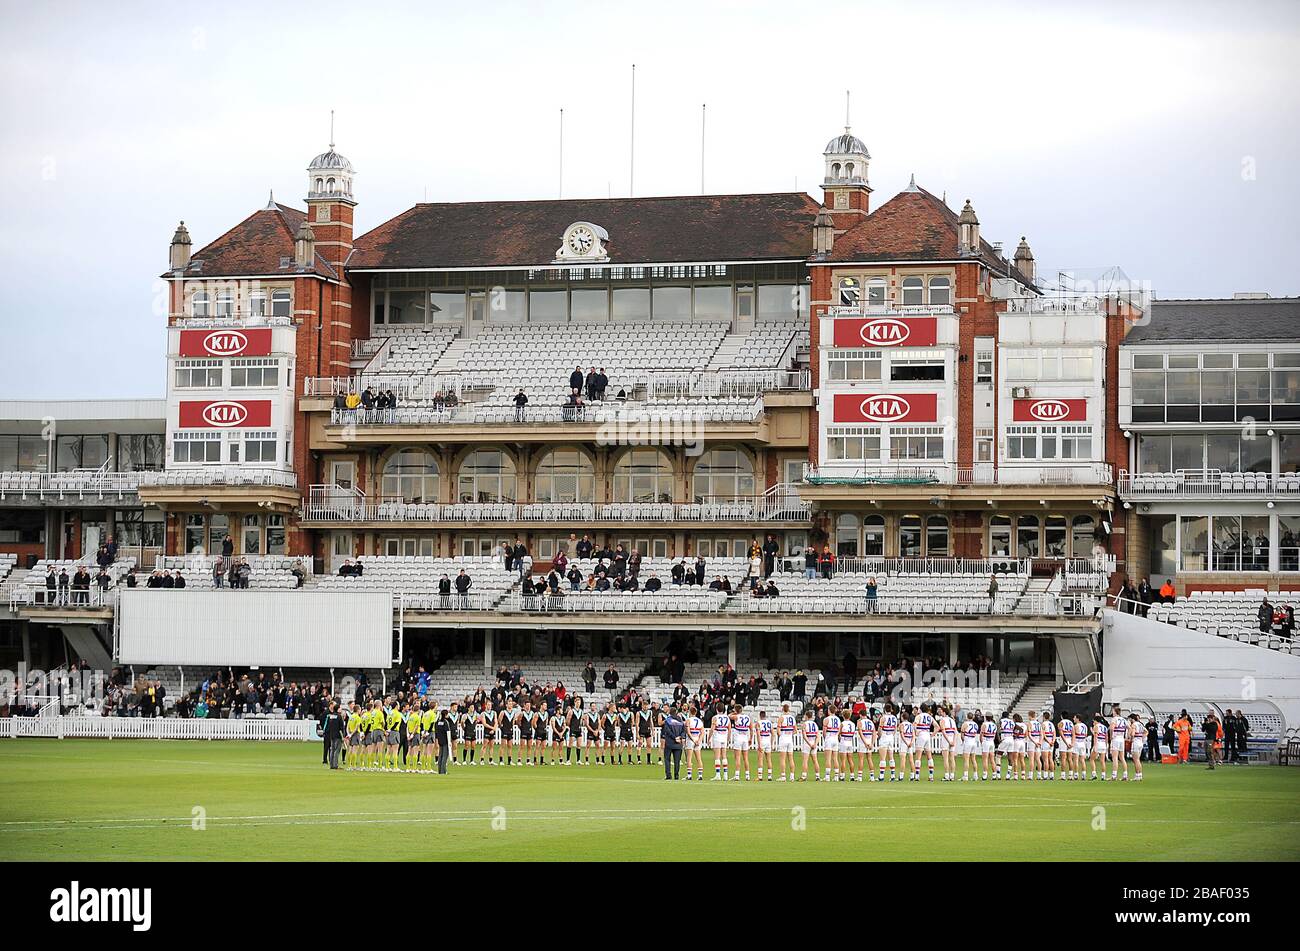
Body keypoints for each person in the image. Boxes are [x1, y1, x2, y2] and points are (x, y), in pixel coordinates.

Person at [661, 705, 685, 780]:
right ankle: (676, 775)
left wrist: (674, 737)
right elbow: (684, 731)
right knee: (677, 761)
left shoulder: (668, 720)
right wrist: (680, 737)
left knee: (667, 759)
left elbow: (667, 731)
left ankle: (668, 775)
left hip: (669, 743)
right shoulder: (680, 720)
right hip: (678, 743)